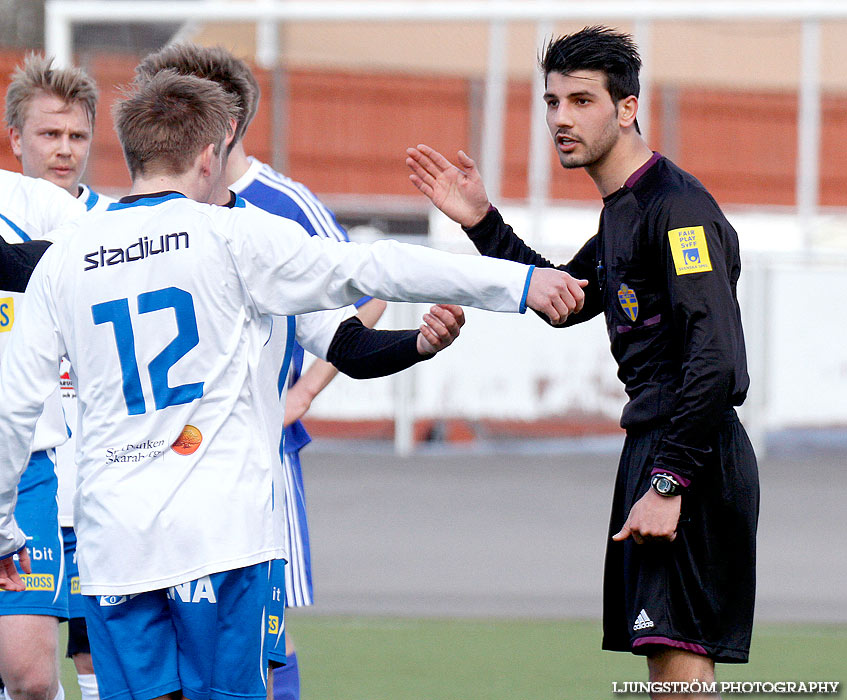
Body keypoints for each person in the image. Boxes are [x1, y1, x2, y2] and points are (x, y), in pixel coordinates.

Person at [0, 71, 585, 700]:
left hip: (115, 541)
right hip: (222, 539)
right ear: (208, 154)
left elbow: (13, 409)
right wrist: (517, 283)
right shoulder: (235, 235)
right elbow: (374, 264)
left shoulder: (64, 257)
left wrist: (4, 532)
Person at [406, 26, 758, 700]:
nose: (561, 118)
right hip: (659, 446)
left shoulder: (675, 209)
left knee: (680, 661)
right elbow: (560, 301)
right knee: (665, 663)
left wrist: (667, 482)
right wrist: (482, 223)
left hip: (691, 455)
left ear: (626, 109)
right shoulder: (622, 213)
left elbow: (715, 360)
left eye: (581, 101)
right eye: (552, 101)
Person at [133, 44, 386, 699]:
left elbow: (365, 292)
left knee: (261, 621)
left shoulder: (279, 202)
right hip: (170, 445)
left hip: (255, 447)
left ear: (226, 123)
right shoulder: (160, 208)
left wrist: (302, 392)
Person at [5, 53, 116, 700]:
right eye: (49, 134)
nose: (65, 150)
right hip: (24, 470)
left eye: (77, 135)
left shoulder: (119, 229)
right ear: (15, 138)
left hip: (98, 487)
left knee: (95, 665)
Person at [0, 168, 85, 700]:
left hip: (23, 462)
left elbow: (70, 259)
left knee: (30, 677)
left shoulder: (37, 201)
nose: (64, 147)